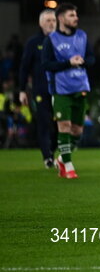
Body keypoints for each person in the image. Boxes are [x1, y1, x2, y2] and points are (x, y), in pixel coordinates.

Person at [41, 3, 95, 179]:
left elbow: (92, 59)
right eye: (72, 15)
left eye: (76, 15)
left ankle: (62, 160)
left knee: (77, 131)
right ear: (61, 18)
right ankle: (69, 166)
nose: (76, 18)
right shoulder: (51, 40)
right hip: (61, 89)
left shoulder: (82, 36)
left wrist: (84, 61)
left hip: (80, 88)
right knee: (64, 127)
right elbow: (46, 64)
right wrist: (67, 63)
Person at [19, 9, 58, 168]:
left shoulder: (61, 42)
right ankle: (47, 157)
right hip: (40, 91)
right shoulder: (33, 42)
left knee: (58, 127)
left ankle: (52, 151)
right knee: (44, 123)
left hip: (59, 90)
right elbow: (24, 67)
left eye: (53, 20)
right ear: (41, 23)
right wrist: (22, 90)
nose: (51, 23)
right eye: (48, 20)